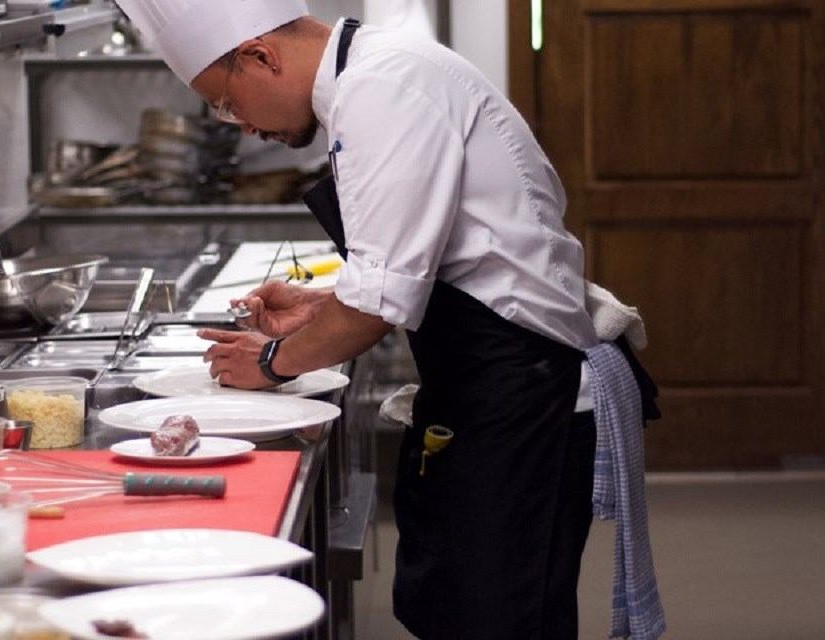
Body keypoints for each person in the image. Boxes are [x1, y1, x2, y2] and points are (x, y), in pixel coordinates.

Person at [116, 2, 665, 639]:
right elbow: (439, 265)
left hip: (524, 397)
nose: (242, 128)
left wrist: (268, 363)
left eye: (228, 103)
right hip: (489, 385)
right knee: (459, 610)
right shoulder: (373, 78)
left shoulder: (384, 87)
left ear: (261, 56)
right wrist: (321, 308)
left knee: (502, 622)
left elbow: (379, 303)